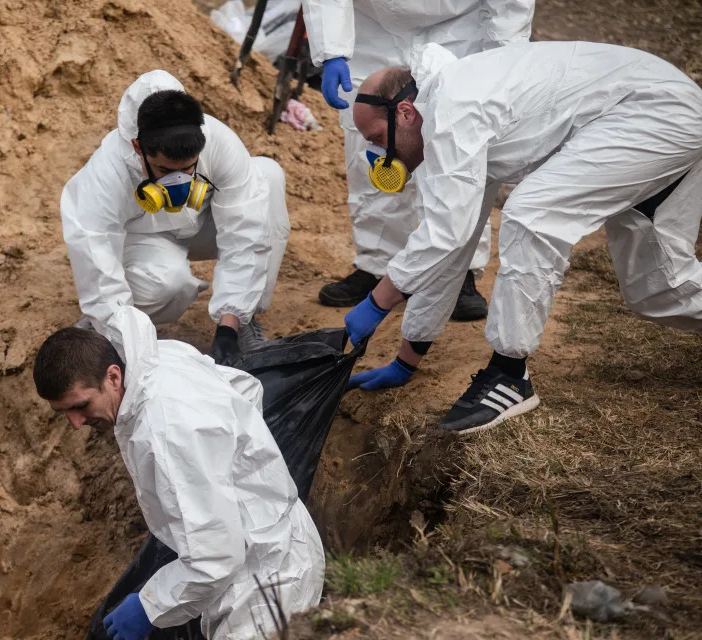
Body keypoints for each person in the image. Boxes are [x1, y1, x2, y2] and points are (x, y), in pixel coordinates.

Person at [344, 41, 702, 434]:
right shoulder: (444, 127)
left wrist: (375, 304)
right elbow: (451, 245)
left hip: (655, 110)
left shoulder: (454, 110)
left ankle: (509, 376)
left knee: (532, 213)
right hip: (658, 112)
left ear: (405, 113)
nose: (380, 155)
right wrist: (407, 358)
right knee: (660, 290)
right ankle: (505, 375)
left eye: (378, 139)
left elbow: (445, 237)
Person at [32, 306, 325, 639]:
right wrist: (239, 473)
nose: (75, 423)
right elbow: (247, 389)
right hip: (261, 546)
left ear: (113, 376)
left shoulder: (167, 430)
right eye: (63, 412)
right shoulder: (157, 361)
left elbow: (216, 557)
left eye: (80, 406)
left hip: (267, 580)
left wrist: (150, 606)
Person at [301, 0, 535, 319]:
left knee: (459, 146)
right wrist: (331, 49)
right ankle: (377, 265)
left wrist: (505, 57)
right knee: (371, 145)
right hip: (373, 30)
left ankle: (458, 272)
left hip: (461, 27)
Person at [60, 70, 290, 367]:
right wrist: (121, 337)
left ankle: (245, 322)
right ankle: (105, 323)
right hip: (145, 239)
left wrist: (228, 327)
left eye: (189, 168)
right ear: (138, 148)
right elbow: (96, 255)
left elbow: (246, 232)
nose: (179, 181)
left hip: (203, 224)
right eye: (166, 171)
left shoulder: (218, 141)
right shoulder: (107, 172)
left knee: (267, 176)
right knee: (170, 286)